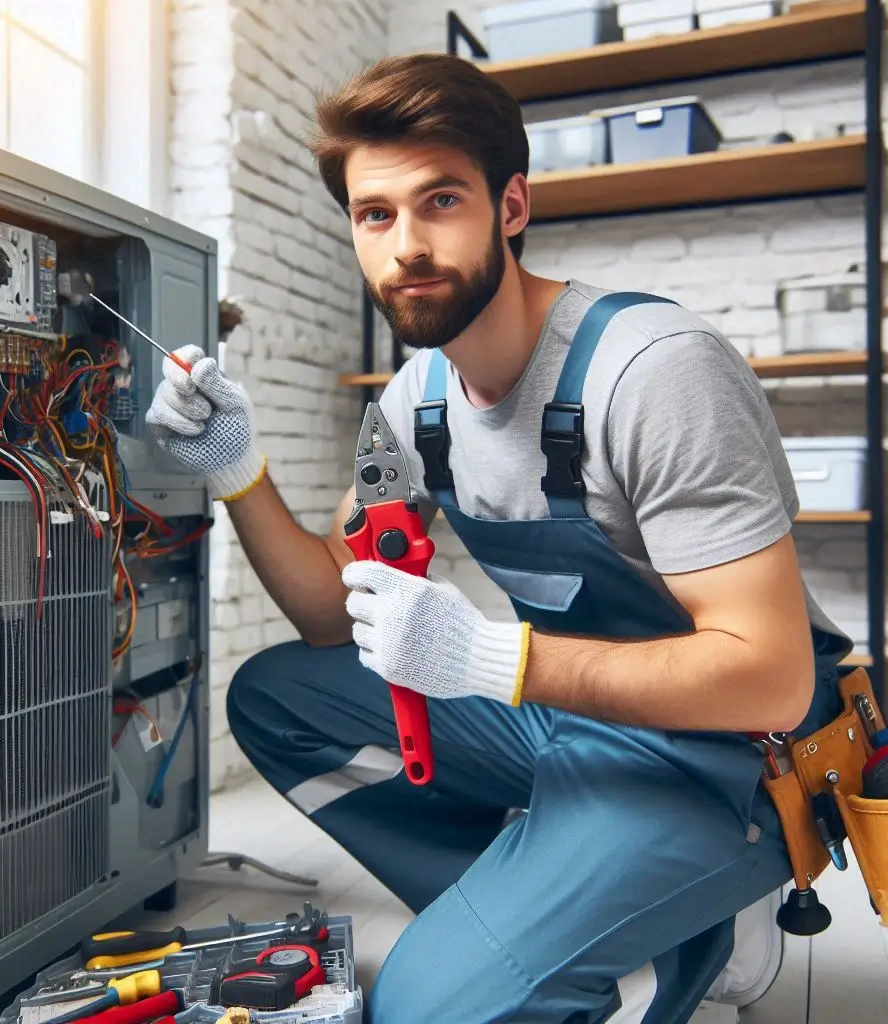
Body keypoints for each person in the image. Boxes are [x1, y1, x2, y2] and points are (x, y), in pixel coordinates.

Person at [145, 53, 853, 1024]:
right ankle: (593, 918)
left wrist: (486, 655)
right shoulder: (413, 404)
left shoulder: (652, 373)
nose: (406, 245)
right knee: (279, 696)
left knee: (420, 1009)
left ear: (509, 206)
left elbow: (768, 675)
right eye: (375, 214)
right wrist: (235, 467)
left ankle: (684, 921)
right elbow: (326, 608)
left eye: (441, 201)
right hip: (573, 723)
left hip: (736, 759)